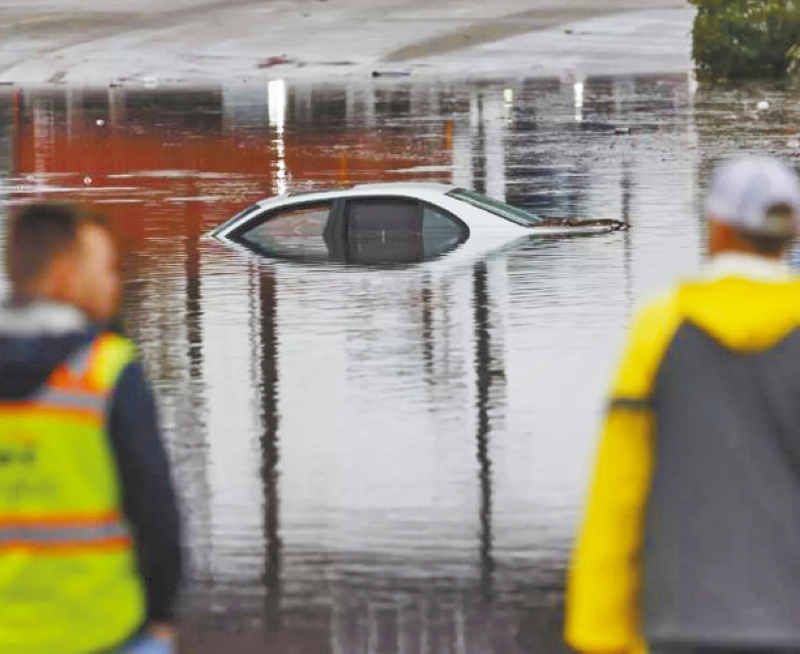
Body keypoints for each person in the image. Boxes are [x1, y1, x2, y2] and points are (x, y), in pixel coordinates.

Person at [565, 155, 800, 654]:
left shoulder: (662, 329)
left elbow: (620, 490)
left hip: (682, 624)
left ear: (716, 228)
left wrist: (599, 635)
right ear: (790, 232)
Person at [0, 203, 183, 654]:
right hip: (104, 630)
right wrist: (160, 617)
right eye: (105, 268)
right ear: (65, 273)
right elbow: (154, 507)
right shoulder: (106, 369)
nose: (114, 283)